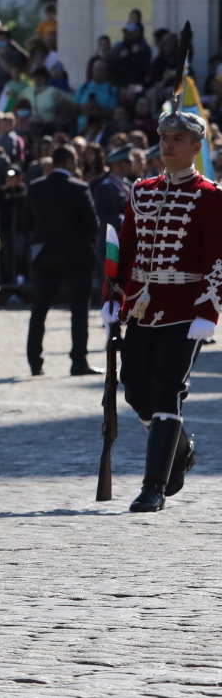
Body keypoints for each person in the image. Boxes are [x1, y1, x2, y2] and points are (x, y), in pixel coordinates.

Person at [107, 103, 222, 512]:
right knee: (136, 389)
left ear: (196, 147)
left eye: (177, 139)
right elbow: (126, 250)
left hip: (187, 310)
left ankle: (152, 486)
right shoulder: (142, 191)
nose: (167, 145)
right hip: (143, 307)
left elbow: (217, 258)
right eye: (163, 138)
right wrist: (116, 297)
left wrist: (209, 311)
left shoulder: (209, 197)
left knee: (167, 388)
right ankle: (180, 447)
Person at [25, 145, 102, 377]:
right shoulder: (79, 188)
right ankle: (78, 360)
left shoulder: (36, 187)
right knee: (79, 311)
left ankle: (34, 361)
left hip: (46, 256)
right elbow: (93, 225)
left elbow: (28, 224)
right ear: (68, 163)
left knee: (39, 309)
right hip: (77, 256)